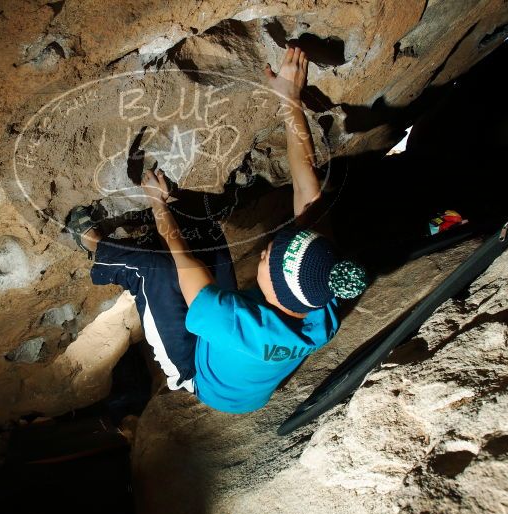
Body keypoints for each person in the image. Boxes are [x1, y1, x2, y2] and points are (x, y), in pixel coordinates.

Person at [67, 46, 367, 413]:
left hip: (200, 372)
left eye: (267, 257)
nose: (262, 251)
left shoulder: (228, 320)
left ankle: (95, 246)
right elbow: (309, 194)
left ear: (276, 290)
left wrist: (157, 203)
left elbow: (179, 254)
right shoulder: (321, 297)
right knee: (209, 237)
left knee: (156, 268)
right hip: (241, 349)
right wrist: (290, 98)